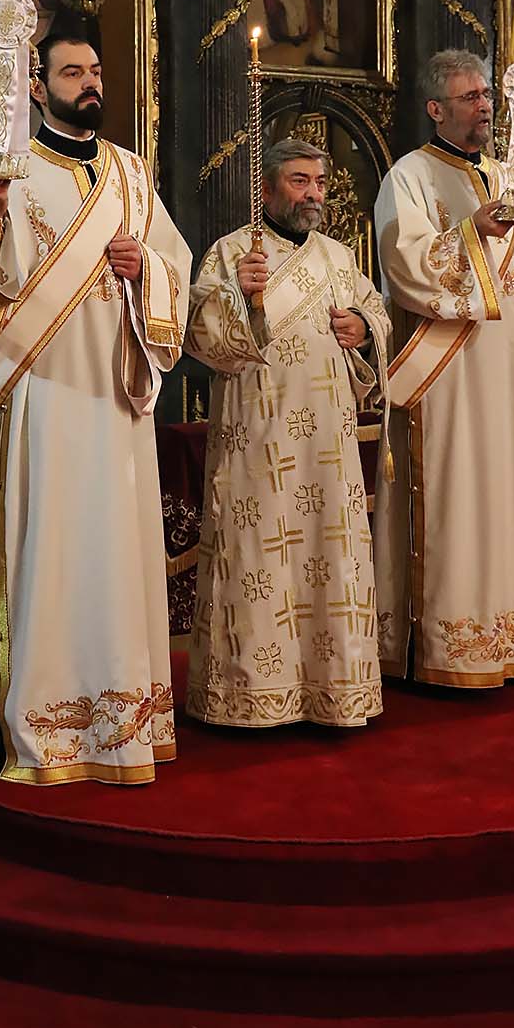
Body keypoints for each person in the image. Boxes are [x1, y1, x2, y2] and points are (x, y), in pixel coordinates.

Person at [0, 11, 191, 785]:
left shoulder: (131, 173)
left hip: (118, 401)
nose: (90, 85)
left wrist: (146, 269)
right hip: (47, 400)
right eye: (73, 73)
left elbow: (175, 267)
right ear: (38, 86)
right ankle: (46, 721)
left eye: (96, 73)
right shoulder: (8, 172)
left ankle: (124, 720)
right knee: (50, 553)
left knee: (118, 557)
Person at [372, 50, 514, 688]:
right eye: (470, 97)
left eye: (487, 95)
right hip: (449, 375)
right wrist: (471, 232)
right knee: (456, 497)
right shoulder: (408, 176)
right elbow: (404, 267)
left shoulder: (504, 177)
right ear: (436, 109)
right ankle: (449, 648)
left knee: (509, 493)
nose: (485, 106)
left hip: (504, 372)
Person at [184, 138, 390, 729]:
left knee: (330, 559)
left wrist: (363, 327)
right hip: (258, 440)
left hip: (328, 445)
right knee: (257, 561)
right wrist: (238, 297)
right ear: (268, 187)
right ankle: (248, 695)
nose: (313, 194)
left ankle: (334, 689)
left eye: (319, 183)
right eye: (300, 182)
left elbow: (377, 314)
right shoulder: (233, 253)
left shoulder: (339, 257)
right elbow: (199, 338)